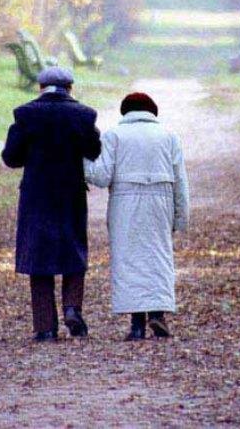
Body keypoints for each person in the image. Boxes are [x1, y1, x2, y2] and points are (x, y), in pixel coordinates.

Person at [2, 66, 101, 342]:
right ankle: (72, 307)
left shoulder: (25, 114)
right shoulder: (83, 114)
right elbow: (93, 151)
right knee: (74, 250)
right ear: (70, 88)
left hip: (37, 196)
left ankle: (45, 327)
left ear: (40, 87)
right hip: (70, 195)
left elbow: (11, 158)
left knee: (39, 257)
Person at [85, 92, 189, 340]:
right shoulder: (169, 137)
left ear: (125, 112)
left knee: (128, 258)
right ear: (152, 112)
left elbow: (101, 177)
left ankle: (137, 325)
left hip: (125, 201)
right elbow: (180, 181)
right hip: (160, 201)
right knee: (158, 256)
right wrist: (180, 217)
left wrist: (85, 161)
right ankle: (157, 313)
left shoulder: (114, 135)